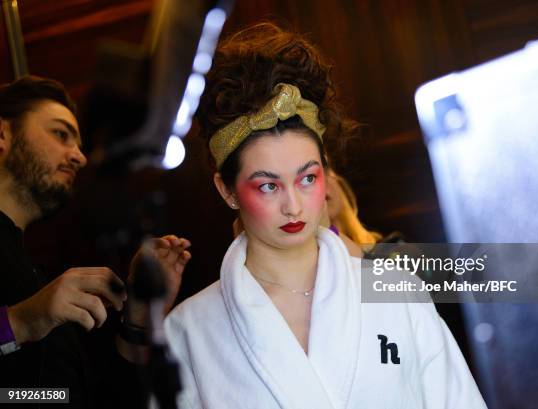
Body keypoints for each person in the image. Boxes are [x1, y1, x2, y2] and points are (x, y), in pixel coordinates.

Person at [164, 22, 487, 409]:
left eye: (307, 178)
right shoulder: (187, 332)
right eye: (267, 185)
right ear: (227, 190)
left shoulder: (395, 290)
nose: (293, 206)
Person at [0, 75, 191, 408]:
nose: (79, 156)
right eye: (60, 134)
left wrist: (138, 321)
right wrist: (20, 322)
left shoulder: (35, 276)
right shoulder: (34, 303)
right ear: (2, 134)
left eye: (79, 144)